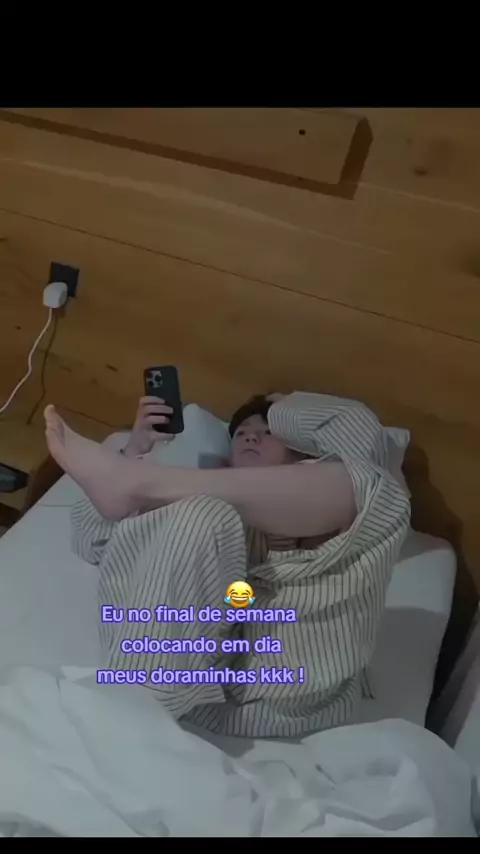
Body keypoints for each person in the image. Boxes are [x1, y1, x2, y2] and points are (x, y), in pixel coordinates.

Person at [44, 390, 411, 739]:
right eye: (241, 433)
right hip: (181, 679)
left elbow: (362, 438)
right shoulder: (195, 507)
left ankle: (137, 482)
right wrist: (134, 450)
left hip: (282, 695)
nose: (251, 437)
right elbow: (92, 539)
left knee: (376, 488)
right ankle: (128, 713)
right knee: (200, 511)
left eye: (268, 433)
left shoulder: (338, 501)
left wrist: (277, 404)